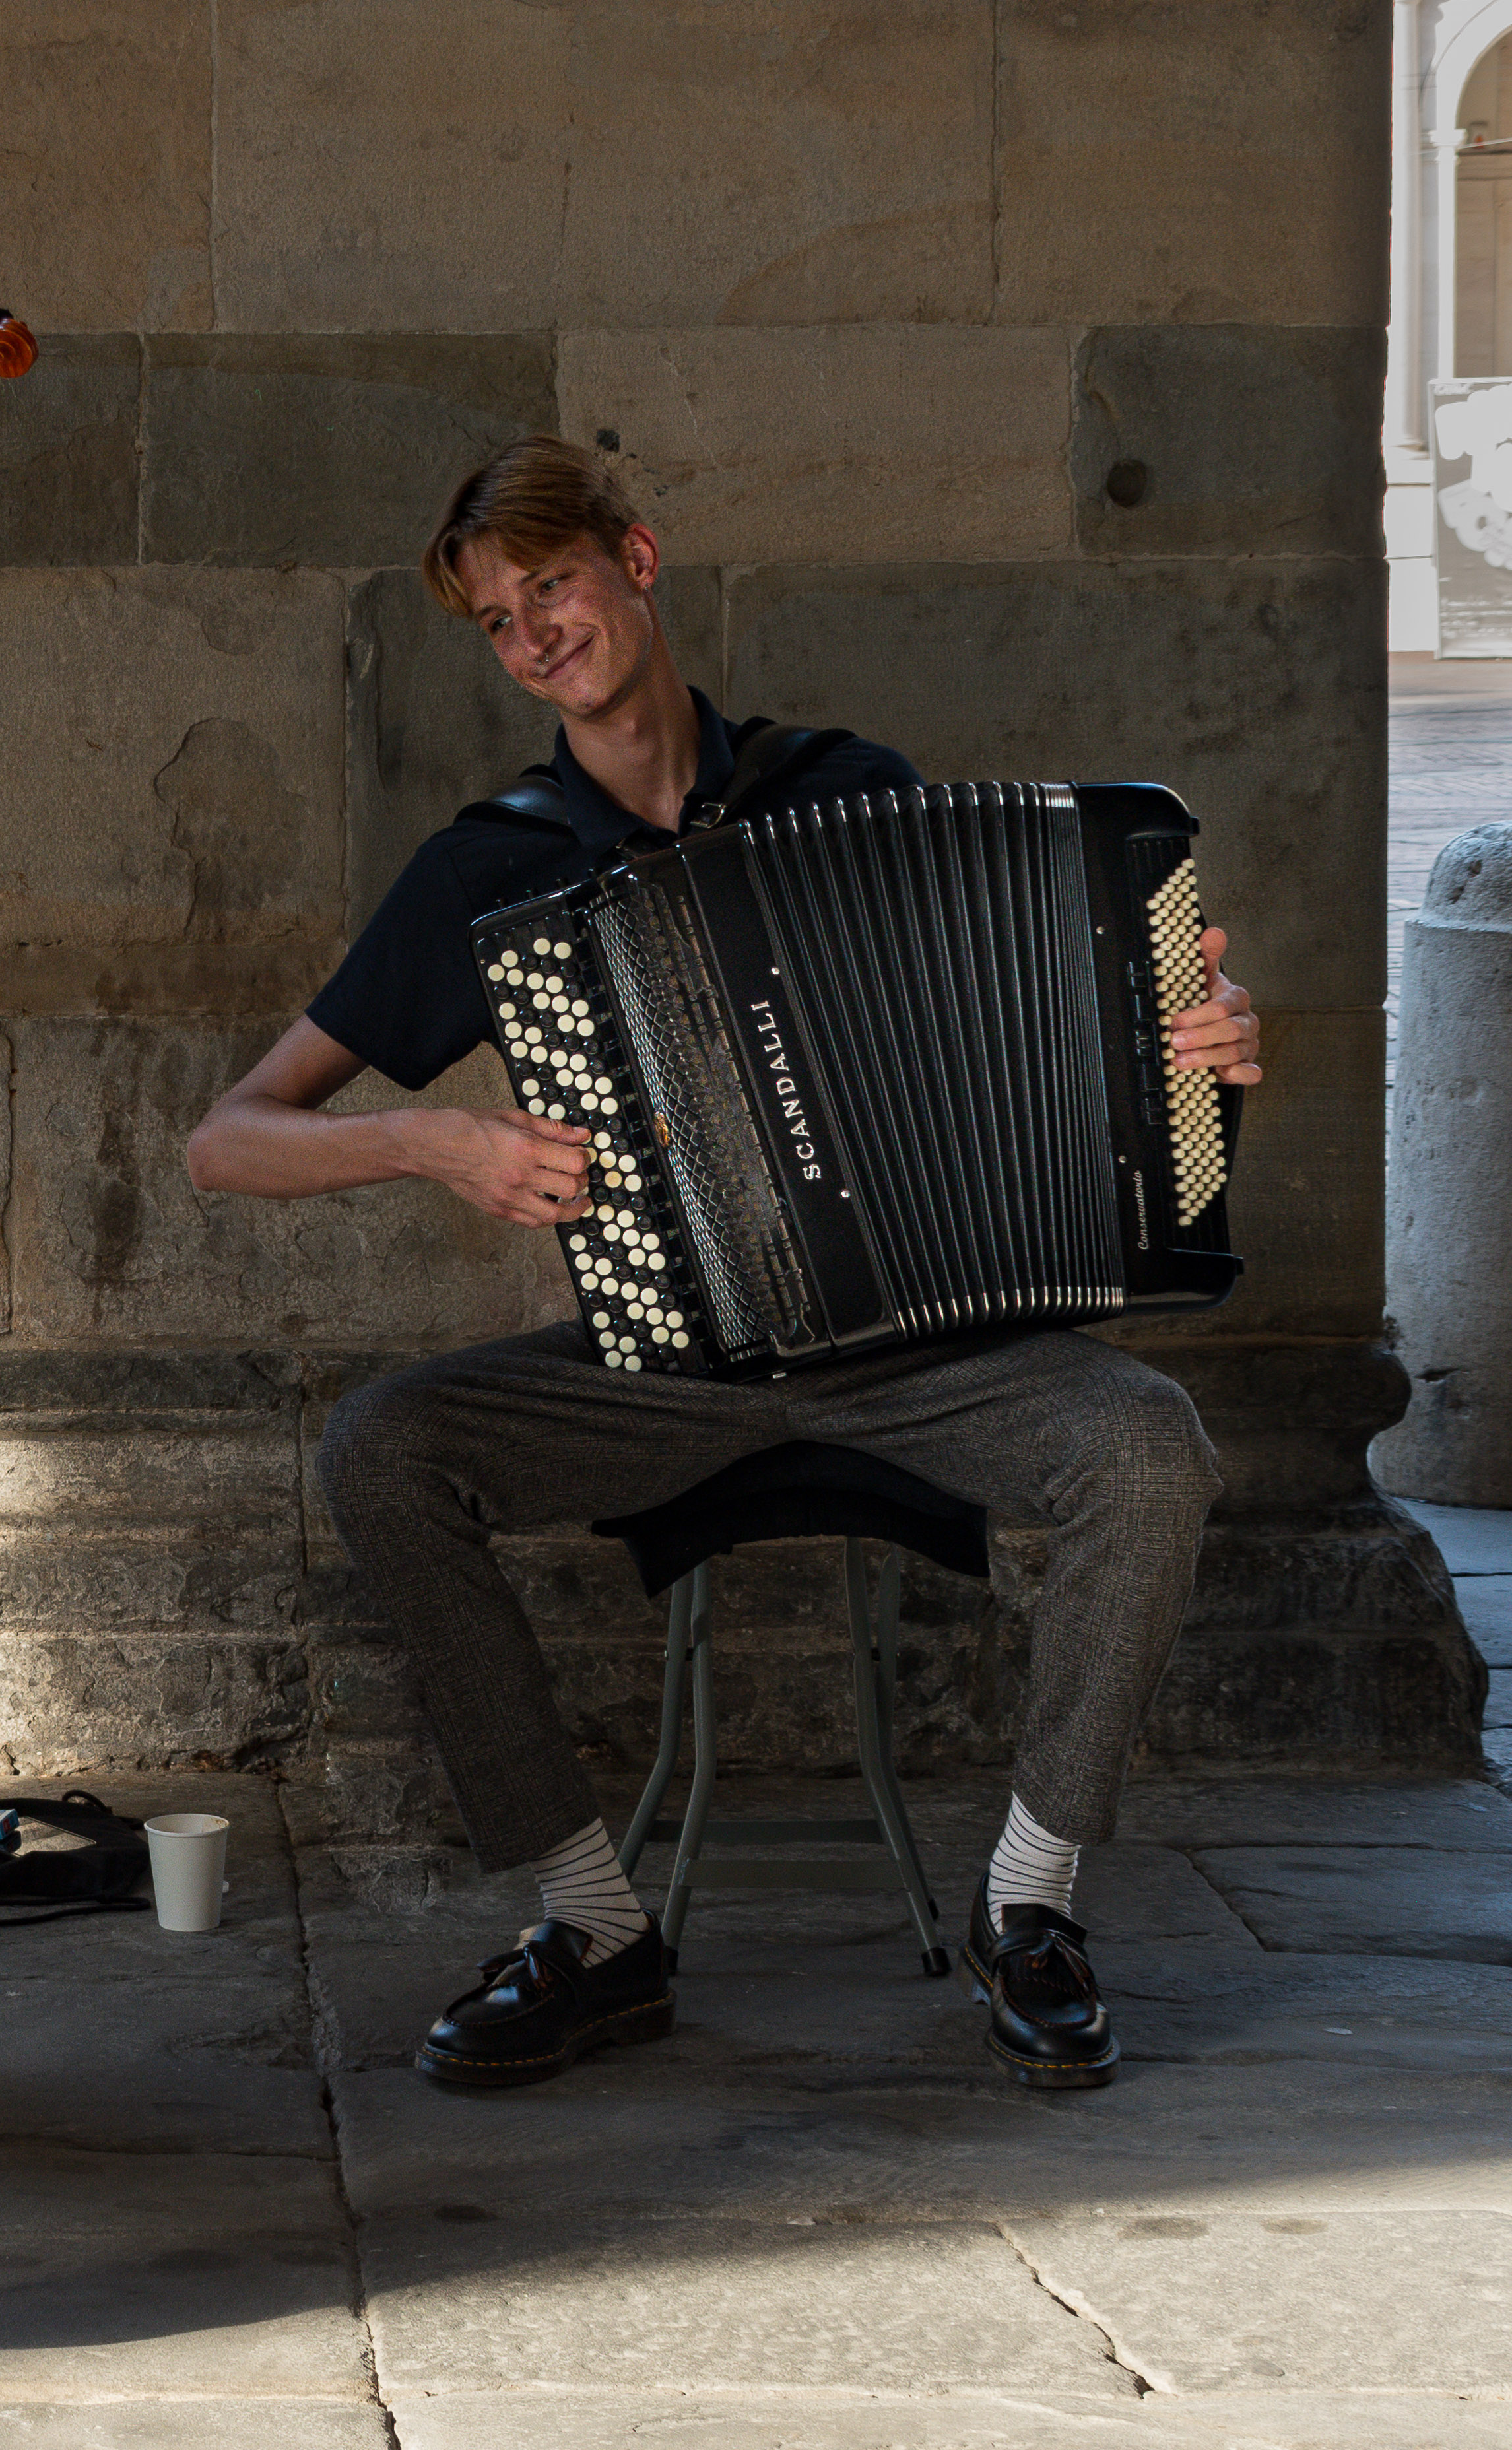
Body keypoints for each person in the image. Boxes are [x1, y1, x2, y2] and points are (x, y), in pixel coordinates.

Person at [185, 436, 1266, 2095]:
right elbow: (229, 1137)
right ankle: (592, 1926)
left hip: (919, 1348)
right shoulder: (495, 867)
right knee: (382, 1448)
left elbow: (1034, 1030)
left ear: (637, 557)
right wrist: (436, 1142)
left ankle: (1031, 1905)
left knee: (1150, 1448)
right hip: (668, 1362)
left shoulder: (847, 787)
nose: (534, 633)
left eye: (550, 585)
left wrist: (1189, 1048)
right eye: (496, 620)